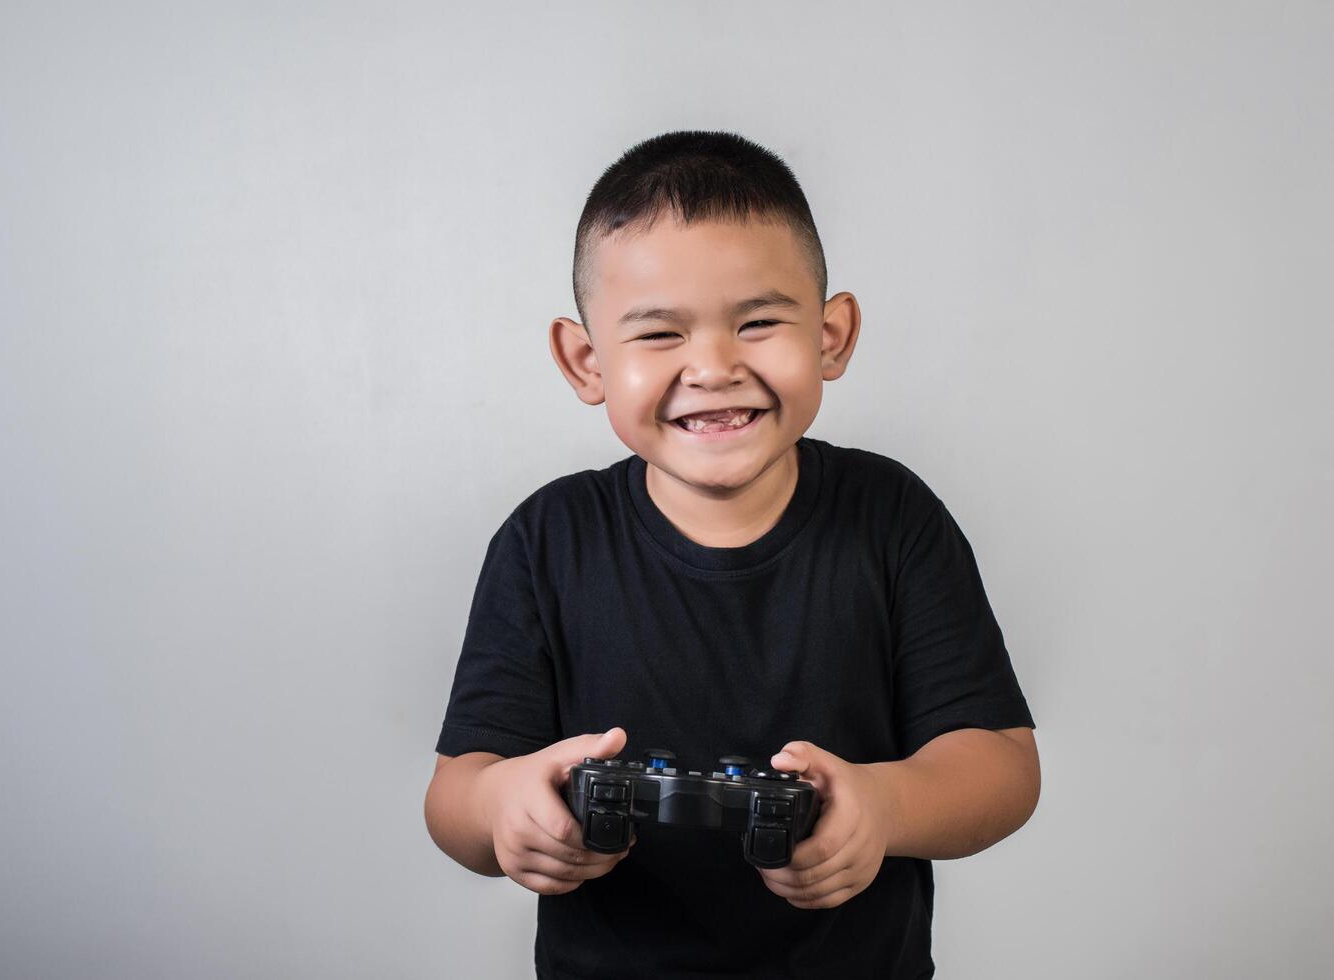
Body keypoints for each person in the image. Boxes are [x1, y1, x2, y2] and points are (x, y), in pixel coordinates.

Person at [423, 129, 1040, 979]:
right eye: (658, 335)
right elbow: (456, 791)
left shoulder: (891, 518)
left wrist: (882, 807)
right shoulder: (546, 541)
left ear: (831, 336)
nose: (712, 367)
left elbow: (1001, 766)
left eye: (756, 322)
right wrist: (504, 807)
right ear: (584, 359)